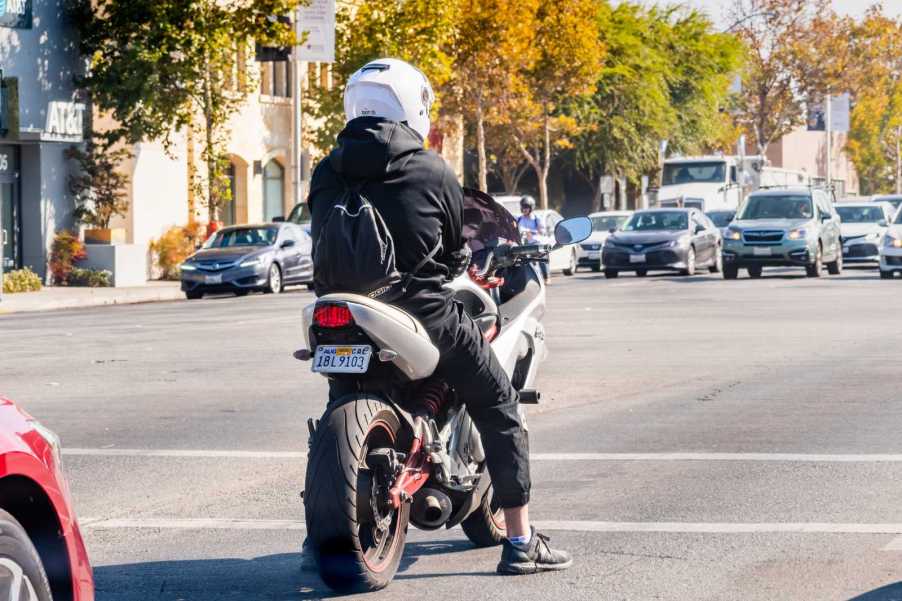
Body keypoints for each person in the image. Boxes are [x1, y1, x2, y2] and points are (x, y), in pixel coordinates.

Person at [306, 58, 571, 575]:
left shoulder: (325, 170)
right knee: (498, 400)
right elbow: (451, 252)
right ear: (412, 107)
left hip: (337, 313)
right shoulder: (430, 169)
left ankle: (314, 540)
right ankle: (520, 541)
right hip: (421, 311)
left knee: (336, 402)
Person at [516, 197, 550, 284]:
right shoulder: (519, 219)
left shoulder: (536, 219)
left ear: (531, 208)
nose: (524, 209)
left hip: (535, 244)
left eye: (526, 207)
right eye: (523, 207)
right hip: (523, 245)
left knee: (541, 257)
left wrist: (531, 232)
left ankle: (546, 277)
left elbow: (543, 232)